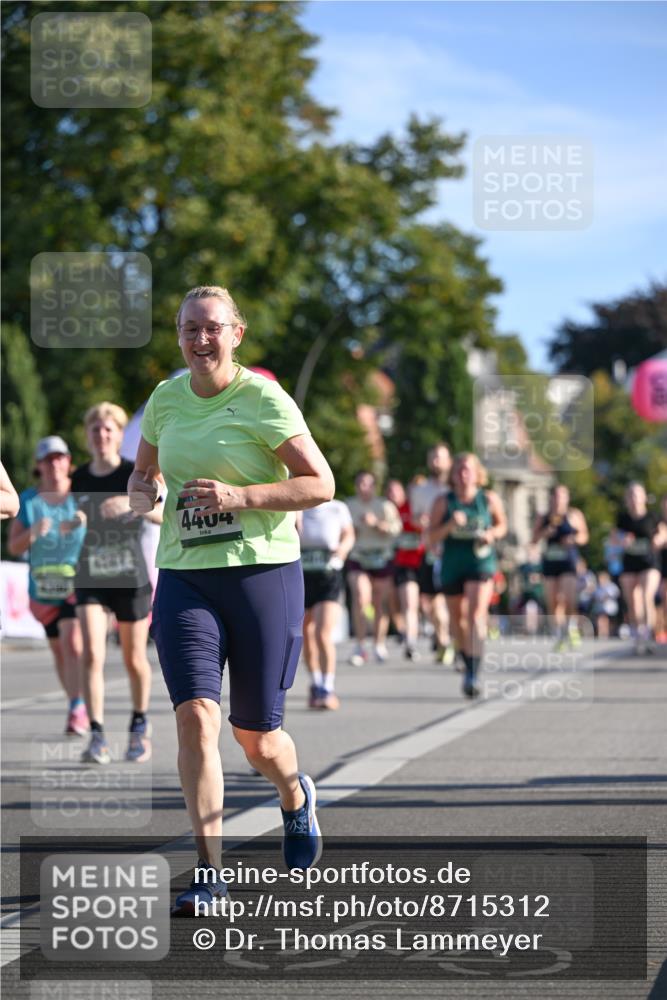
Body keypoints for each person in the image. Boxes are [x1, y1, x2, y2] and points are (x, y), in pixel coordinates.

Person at [128, 284, 335, 915]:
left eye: (212, 327)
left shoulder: (263, 398)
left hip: (260, 572)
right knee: (195, 717)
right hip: (186, 574)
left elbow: (320, 483)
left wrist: (240, 498)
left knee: (256, 738)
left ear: (235, 334)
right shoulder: (165, 399)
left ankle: (295, 795)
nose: (200, 339)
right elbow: (145, 476)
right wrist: (142, 498)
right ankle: (209, 874)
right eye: (189, 328)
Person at [72, 403, 161, 765]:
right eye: (95, 430)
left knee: (133, 657)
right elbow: (68, 517)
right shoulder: (78, 478)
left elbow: (161, 514)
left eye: (108, 429)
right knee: (92, 652)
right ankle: (96, 735)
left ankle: (139, 724)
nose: (102, 435)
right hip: (91, 573)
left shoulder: (134, 472)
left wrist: (129, 504)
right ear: (88, 436)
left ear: (120, 434)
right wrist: (71, 521)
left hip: (129, 574)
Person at [8, 437, 87, 735]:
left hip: (76, 585)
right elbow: (14, 546)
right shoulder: (28, 500)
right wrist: (32, 532)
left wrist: (84, 521)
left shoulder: (80, 496)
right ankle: (75, 703)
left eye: (59, 457)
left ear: (69, 462)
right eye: (48, 459)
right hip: (42, 590)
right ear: (39, 466)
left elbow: (107, 535)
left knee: (72, 642)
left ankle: (79, 705)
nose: (54, 463)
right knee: (59, 651)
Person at [428, 453, 507, 697]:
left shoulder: (488, 499)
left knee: (475, 614)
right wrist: (450, 524)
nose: (464, 474)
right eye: (459, 469)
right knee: (457, 619)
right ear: (453, 474)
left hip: (480, 561)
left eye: (468, 470)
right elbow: (430, 537)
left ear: (477, 474)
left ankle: (473, 672)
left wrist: (491, 534)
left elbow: (502, 525)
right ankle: (465, 657)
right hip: (453, 563)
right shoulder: (444, 502)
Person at [297, 501, 355, 709]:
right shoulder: (296, 505)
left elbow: (349, 534)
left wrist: (342, 549)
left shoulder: (338, 508)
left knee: (322, 632)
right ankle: (315, 682)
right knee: (305, 633)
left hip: (329, 575)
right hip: (302, 576)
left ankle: (327, 687)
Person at [345, 471, 402, 665]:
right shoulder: (349, 506)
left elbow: (396, 531)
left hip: (381, 557)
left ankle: (379, 643)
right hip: (358, 556)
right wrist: (355, 529)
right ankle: (360, 645)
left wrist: (377, 524)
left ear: (374, 486)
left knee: (379, 602)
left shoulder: (385, 506)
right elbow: (342, 530)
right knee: (361, 598)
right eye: (360, 483)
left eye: (368, 484)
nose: (364, 487)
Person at [410, 444, 456, 665]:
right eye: (433, 458)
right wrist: (422, 523)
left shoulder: (456, 489)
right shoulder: (420, 491)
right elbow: (414, 518)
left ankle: (456, 641)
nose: (436, 462)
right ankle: (444, 640)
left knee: (455, 601)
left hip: (455, 552)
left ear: (449, 461)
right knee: (432, 602)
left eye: (440, 457)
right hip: (431, 552)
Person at [532, 485, 589, 650]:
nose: (558, 500)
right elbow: (533, 539)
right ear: (551, 498)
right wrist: (544, 533)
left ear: (567, 498)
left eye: (561, 496)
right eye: (555, 496)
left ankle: (570, 628)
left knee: (569, 598)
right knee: (552, 601)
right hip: (550, 561)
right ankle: (560, 634)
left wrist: (574, 539)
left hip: (568, 562)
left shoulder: (574, 515)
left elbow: (584, 536)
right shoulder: (543, 517)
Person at [616, 482, 661, 654]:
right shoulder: (623, 519)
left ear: (644, 497)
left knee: (646, 595)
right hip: (629, 563)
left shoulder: (652, 516)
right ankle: (638, 633)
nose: (634, 499)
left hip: (649, 562)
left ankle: (648, 633)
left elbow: (663, 532)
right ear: (627, 499)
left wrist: (659, 539)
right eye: (631, 496)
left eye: (637, 495)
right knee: (632, 601)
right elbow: (614, 538)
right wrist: (621, 541)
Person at [386, 479, 424, 661]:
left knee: (421, 604)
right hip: (398, 563)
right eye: (390, 492)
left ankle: (419, 639)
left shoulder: (414, 508)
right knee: (398, 602)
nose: (393, 495)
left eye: (396, 491)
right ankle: (407, 637)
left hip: (420, 561)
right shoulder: (387, 510)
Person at [591, 570, 621, 639]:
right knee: (601, 619)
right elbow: (594, 596)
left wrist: (607, 597)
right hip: (600, 608)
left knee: (608, 621)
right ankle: (602, 633)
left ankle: (608, 633)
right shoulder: (597, 587)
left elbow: (616, 594)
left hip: (610, 608)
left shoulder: (611, 586)